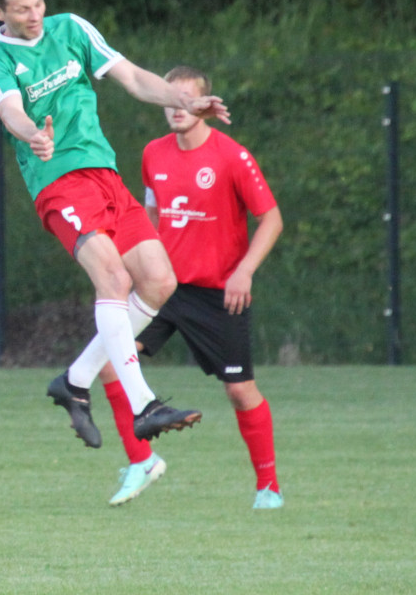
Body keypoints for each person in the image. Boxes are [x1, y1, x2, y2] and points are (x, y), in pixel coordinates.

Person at [0, 0, 228, 450]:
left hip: (104, 173)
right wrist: (32, 134)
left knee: (159, 280)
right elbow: (10, 111)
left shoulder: (71, 29)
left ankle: (75, 381)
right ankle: (143, 405)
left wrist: (184, 101)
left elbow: (131, 77)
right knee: (113, 278)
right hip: (58, 182)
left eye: (39, 4)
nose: (35, 15)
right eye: (22, 9)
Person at [98, 65, 284, 508]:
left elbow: (272, 218)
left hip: (218, 294)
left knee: (239, 390)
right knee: (107, 362)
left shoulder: (231, 156)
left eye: (188, 98)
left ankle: (268, 487)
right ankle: (141, 461)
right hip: (163, 289)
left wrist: (244, 271)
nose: (178, 107)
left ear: (204, 104)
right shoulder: (153, 154)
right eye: (172, 98)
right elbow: (151, 216)